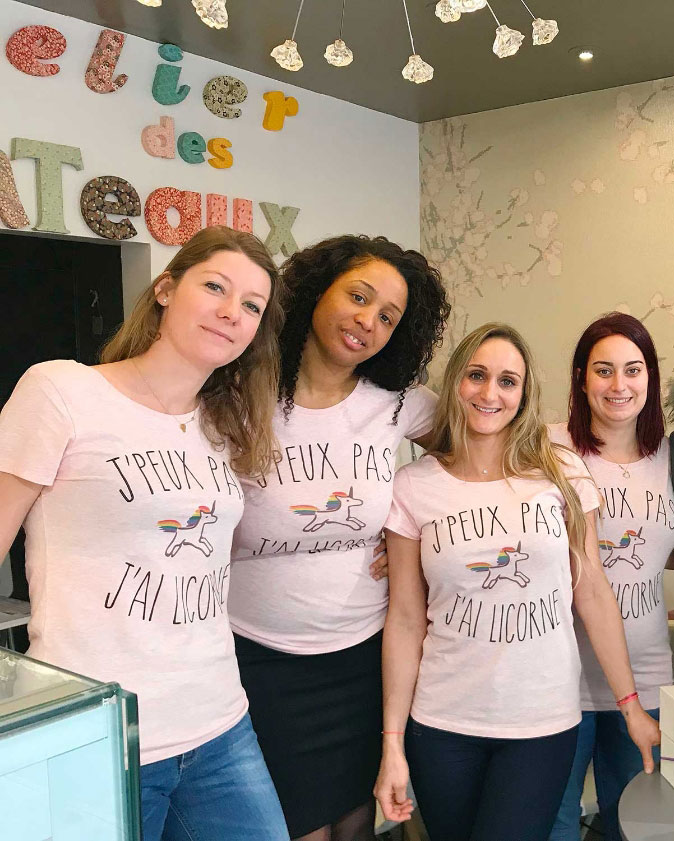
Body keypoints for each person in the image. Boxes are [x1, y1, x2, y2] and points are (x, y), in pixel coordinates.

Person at [0, 226, 290, 841]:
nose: (230, 312)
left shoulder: (225, 424)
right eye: (215, 287)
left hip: (220, 723)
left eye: (251, 305)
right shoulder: (62, 390)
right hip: (99, 728)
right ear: (165, 289)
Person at [374, 322, 660, 841]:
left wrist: (630, 704)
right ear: (456, 382)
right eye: (477, 375)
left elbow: (593, 591)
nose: (490, 393)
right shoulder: (413, 487)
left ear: (524, 395)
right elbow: (406, 620)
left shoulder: (561, 471)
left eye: (508, 381)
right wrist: (392, 742)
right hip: (442, 724)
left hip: (542, 722)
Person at [228, 234, 450, 841]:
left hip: (363, 658)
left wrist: (419, 548)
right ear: (315, 291)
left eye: (388, 317)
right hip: (257, 660)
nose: (368, 322)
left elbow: (480, 457)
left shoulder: (397, 404)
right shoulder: (238, 395)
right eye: (358, 297)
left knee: (355, 823)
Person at [548, 312, 673, 841]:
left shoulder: (668, 458)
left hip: (648, 677)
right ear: (581, 379)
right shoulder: (547, 447)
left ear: (650, 378)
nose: (619, 385)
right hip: (560, 681)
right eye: (603, 370)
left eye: (633, 369)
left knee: (639, 827)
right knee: (551, 824)